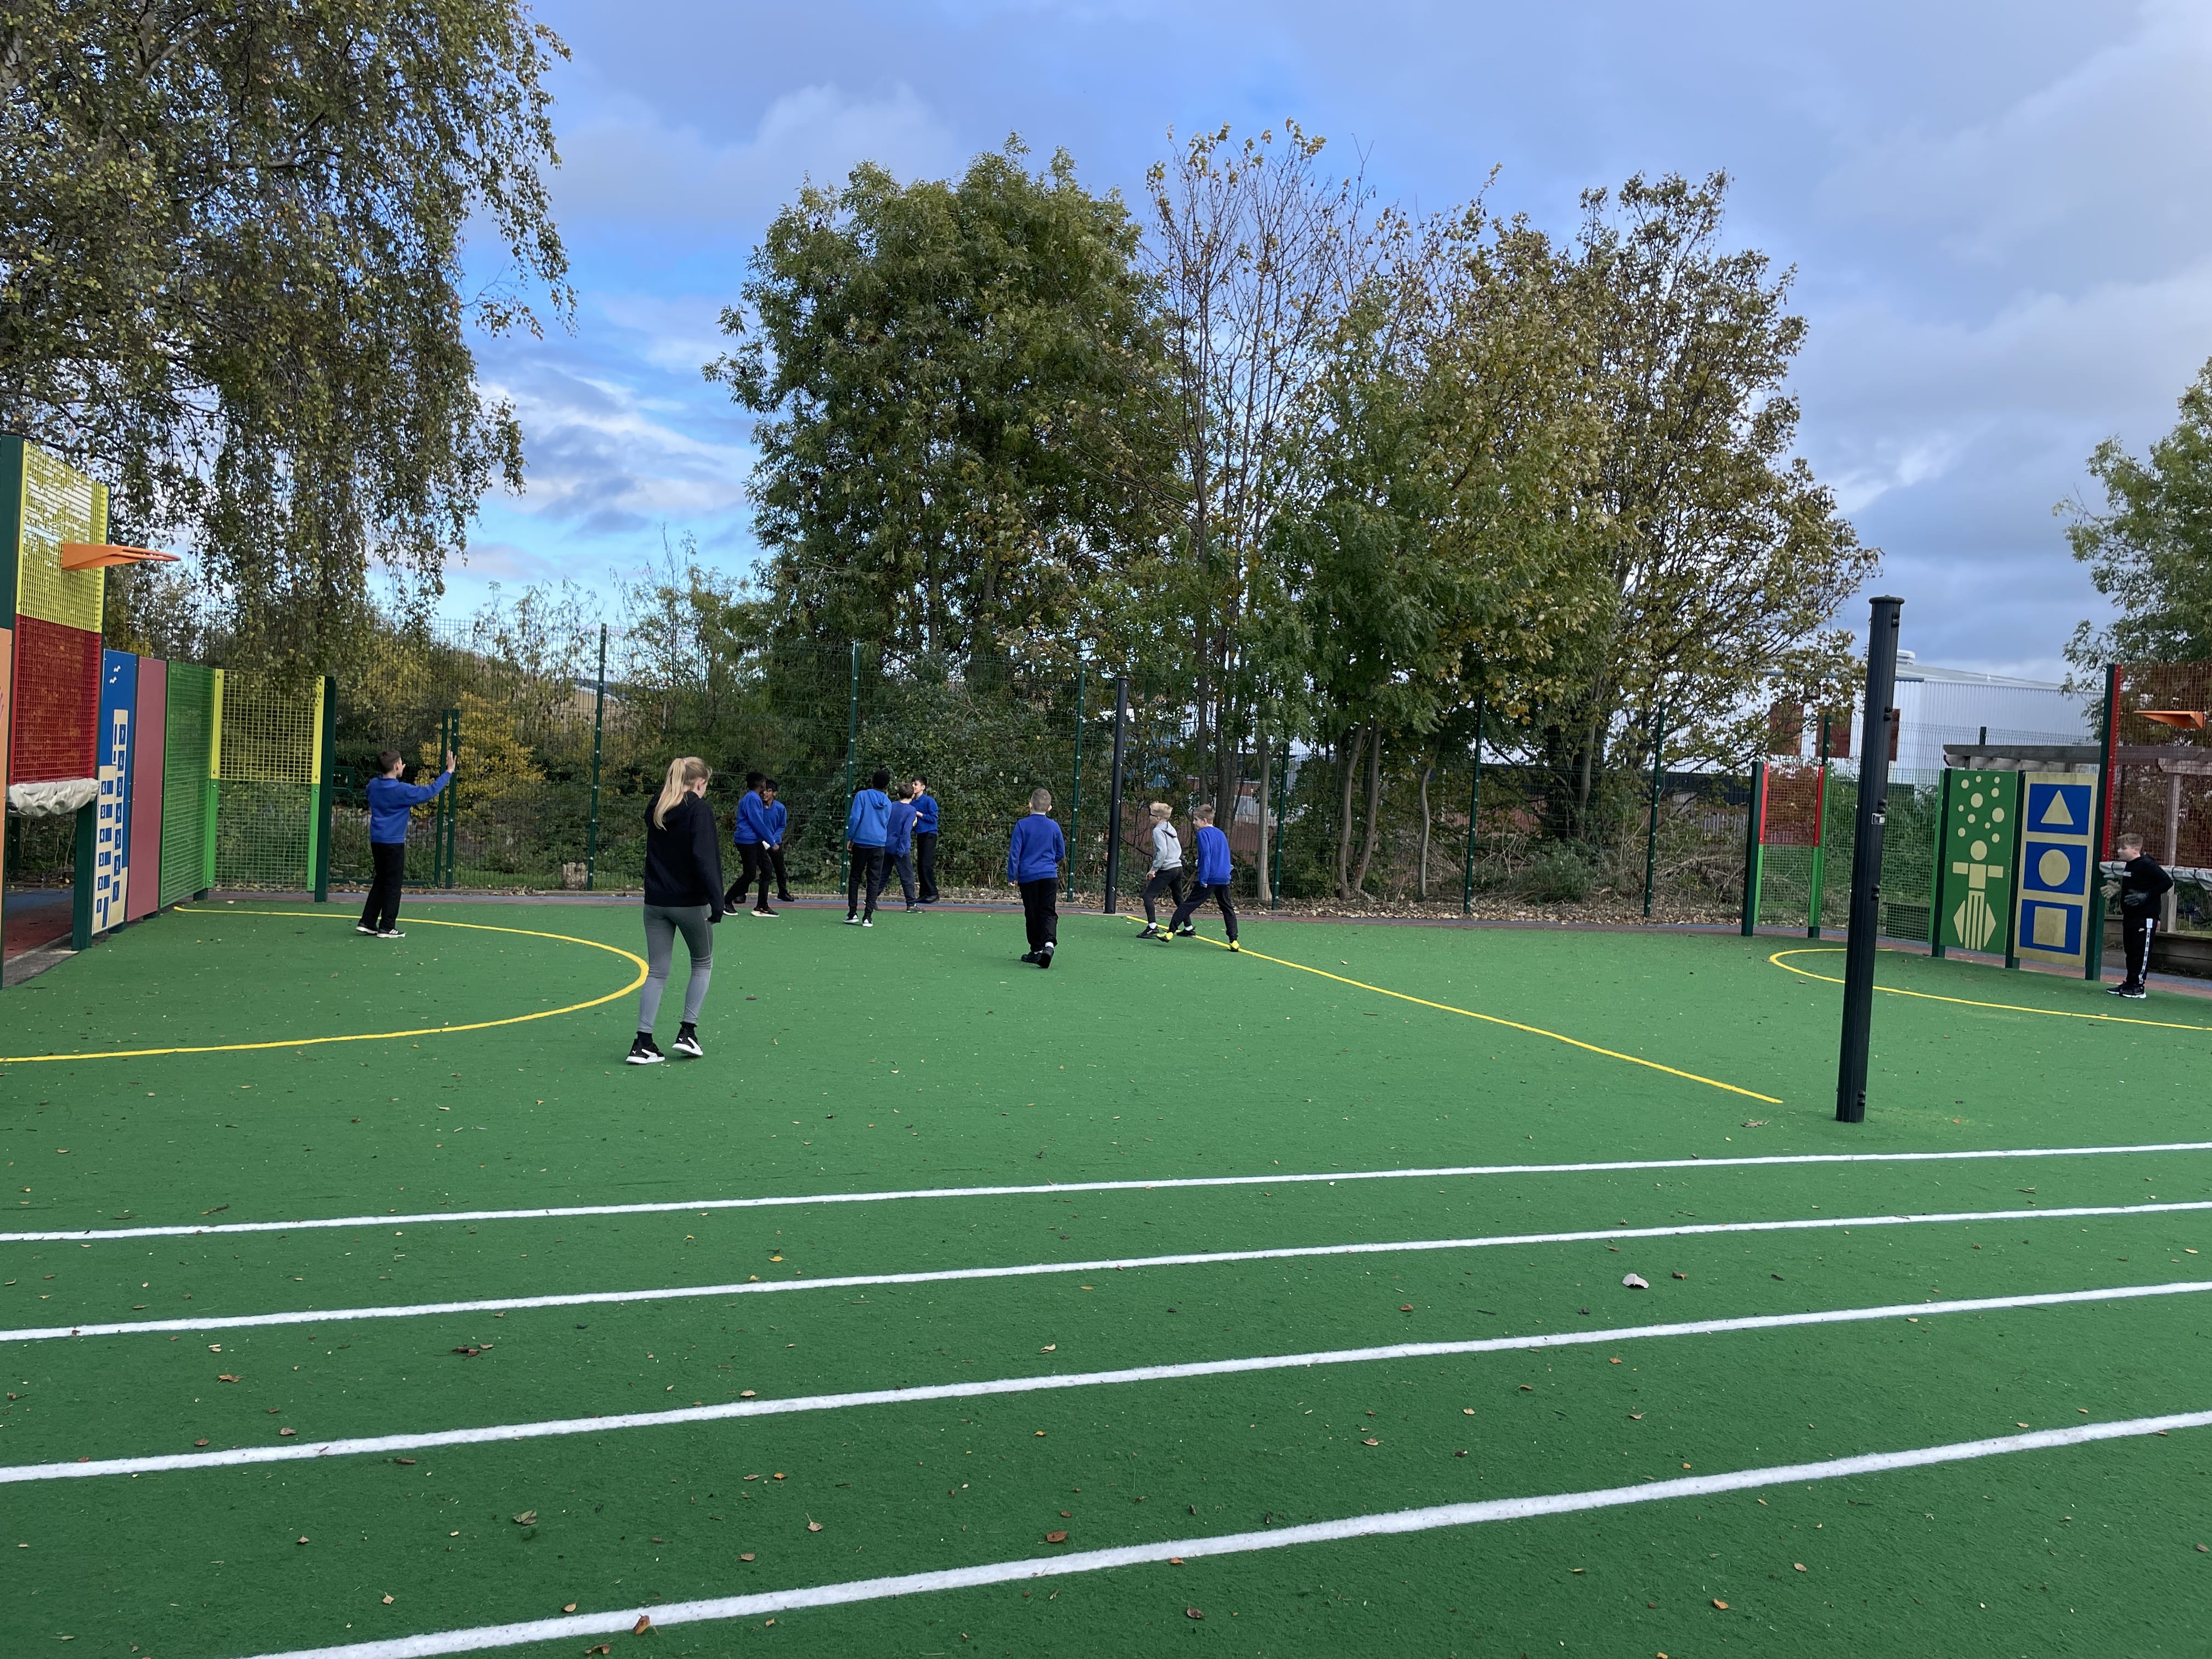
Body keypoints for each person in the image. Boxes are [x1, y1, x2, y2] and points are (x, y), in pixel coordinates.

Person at [630, 756, 724, 1064]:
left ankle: (642, 1042)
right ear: (699, 783)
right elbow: (704, 856)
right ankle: (688, 1032)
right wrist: (717, 898)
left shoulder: (657, 807)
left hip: (655, 902)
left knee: (657, 971)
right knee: (703, 963)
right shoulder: (699, 810)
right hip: (689, 903)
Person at [358, 747, 455, 938]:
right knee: (393, 884)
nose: (403, 765)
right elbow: (430, 791)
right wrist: (448, 772)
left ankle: (368, 922)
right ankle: (387, 927)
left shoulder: (373, 785)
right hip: (393, 843)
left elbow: (371, 794)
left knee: (381, 880)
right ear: (396, 766)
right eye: (401, 763)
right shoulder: (402, 791)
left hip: (377, 840)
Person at [2107, 831, 2174, 1000]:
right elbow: (2136, 884)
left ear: (2136, 849)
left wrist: (2146, 895)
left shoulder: (2147, 864)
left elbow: (2167, 882)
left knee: (2140, 952)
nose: (2119, 851)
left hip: (2145, 917)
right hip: (2130, 917)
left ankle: (2138, 987)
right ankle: (2129, 983)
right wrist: (2119, 889)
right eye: (2119, 848)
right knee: (2130, 951)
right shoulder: (2130, 865)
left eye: (2124, 848)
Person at [1007, 786, 1066, 967]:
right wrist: (1051, 863)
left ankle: (1036, 950)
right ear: (1049, 808)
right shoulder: (1054, 826)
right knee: (1048, 910)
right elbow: (1061, 852)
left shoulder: (1022, 825)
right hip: (1049, 875)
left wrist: (1012, 874)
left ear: (1030, 805)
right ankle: (1049, 944)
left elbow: (1014, 853)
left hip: (1028, 876)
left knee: (1032, 912)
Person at [1166, 802, 1240, 950]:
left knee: (1188, 904)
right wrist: (1227, 874)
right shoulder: (1221, 833)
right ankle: (1234, 941)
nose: (1194, 823)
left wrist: (1203, 878)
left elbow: (1206, 855)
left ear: (1204, 821)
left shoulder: (1202, 834)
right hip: (1224, 878)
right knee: (1227, 908)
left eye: (1196, 820)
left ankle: (1169, 932)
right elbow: (1225, 855)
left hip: (1210, 877)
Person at [844, 767, 893, 926]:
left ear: (872, 781)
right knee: (874, 880)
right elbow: (886, 822)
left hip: (861, 841)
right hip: (879, 843)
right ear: (887, 785)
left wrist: (850, 837)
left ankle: (853, 913)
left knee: (855, 877)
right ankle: (868, 917)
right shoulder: (888, 802)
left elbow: (855, 818)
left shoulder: (862, 796)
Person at [728, 771, 775, 915]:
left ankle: (762, 906)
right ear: (761, 784)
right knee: (750, 874)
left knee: (767, 868)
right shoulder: (752, 799)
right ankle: (726, 901)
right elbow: (756, 822)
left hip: (754, 840)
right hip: (747, 840)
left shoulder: (754, 798)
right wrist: (772, 841)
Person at [1136, 800, 1184, 940]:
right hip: (1178, 867)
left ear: (1158, 818)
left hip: (1167, 869)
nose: (1149, 817)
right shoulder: (1170, 827)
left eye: (1151, 815)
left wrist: (1154, 869)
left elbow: (1162, 852)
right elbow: (1177, 848)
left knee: (1148, 896)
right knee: (1178, 898)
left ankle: (1152, 927)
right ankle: (1188, 927)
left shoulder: (1158, 830)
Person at [884, 783, 920, 911]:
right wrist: (903, 848)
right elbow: (906, 831)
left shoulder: (892, 806)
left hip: (887, 844)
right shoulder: (911, 810)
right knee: (907, 876)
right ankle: (911, 904)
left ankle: (870, 899)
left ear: (899, 795)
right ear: (913, 795)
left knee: (882, 874)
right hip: (901, 847)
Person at [760, 778, 794, 903]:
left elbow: (782, 826)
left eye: (769, 791)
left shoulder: (780, 808)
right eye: (764, 791)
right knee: (751, 868)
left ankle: (783, 892)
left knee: (780, 868)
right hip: (759, 842)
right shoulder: (758, 807)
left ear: (774, 793)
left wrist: (772, 839)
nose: (765, 793)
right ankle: (741, 894)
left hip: (775, 842)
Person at [911, 776, 939, 904]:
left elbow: (934, 818)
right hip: (920, 835)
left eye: (916, 784)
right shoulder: (912, 802)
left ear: (923, 787)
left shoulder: (929, 801)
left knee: (926, 864)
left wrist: (919, 814)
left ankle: (933, 893)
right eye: (913, 784)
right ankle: (924, 893)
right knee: (920, 865)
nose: (913, 786)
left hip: (930, 835)